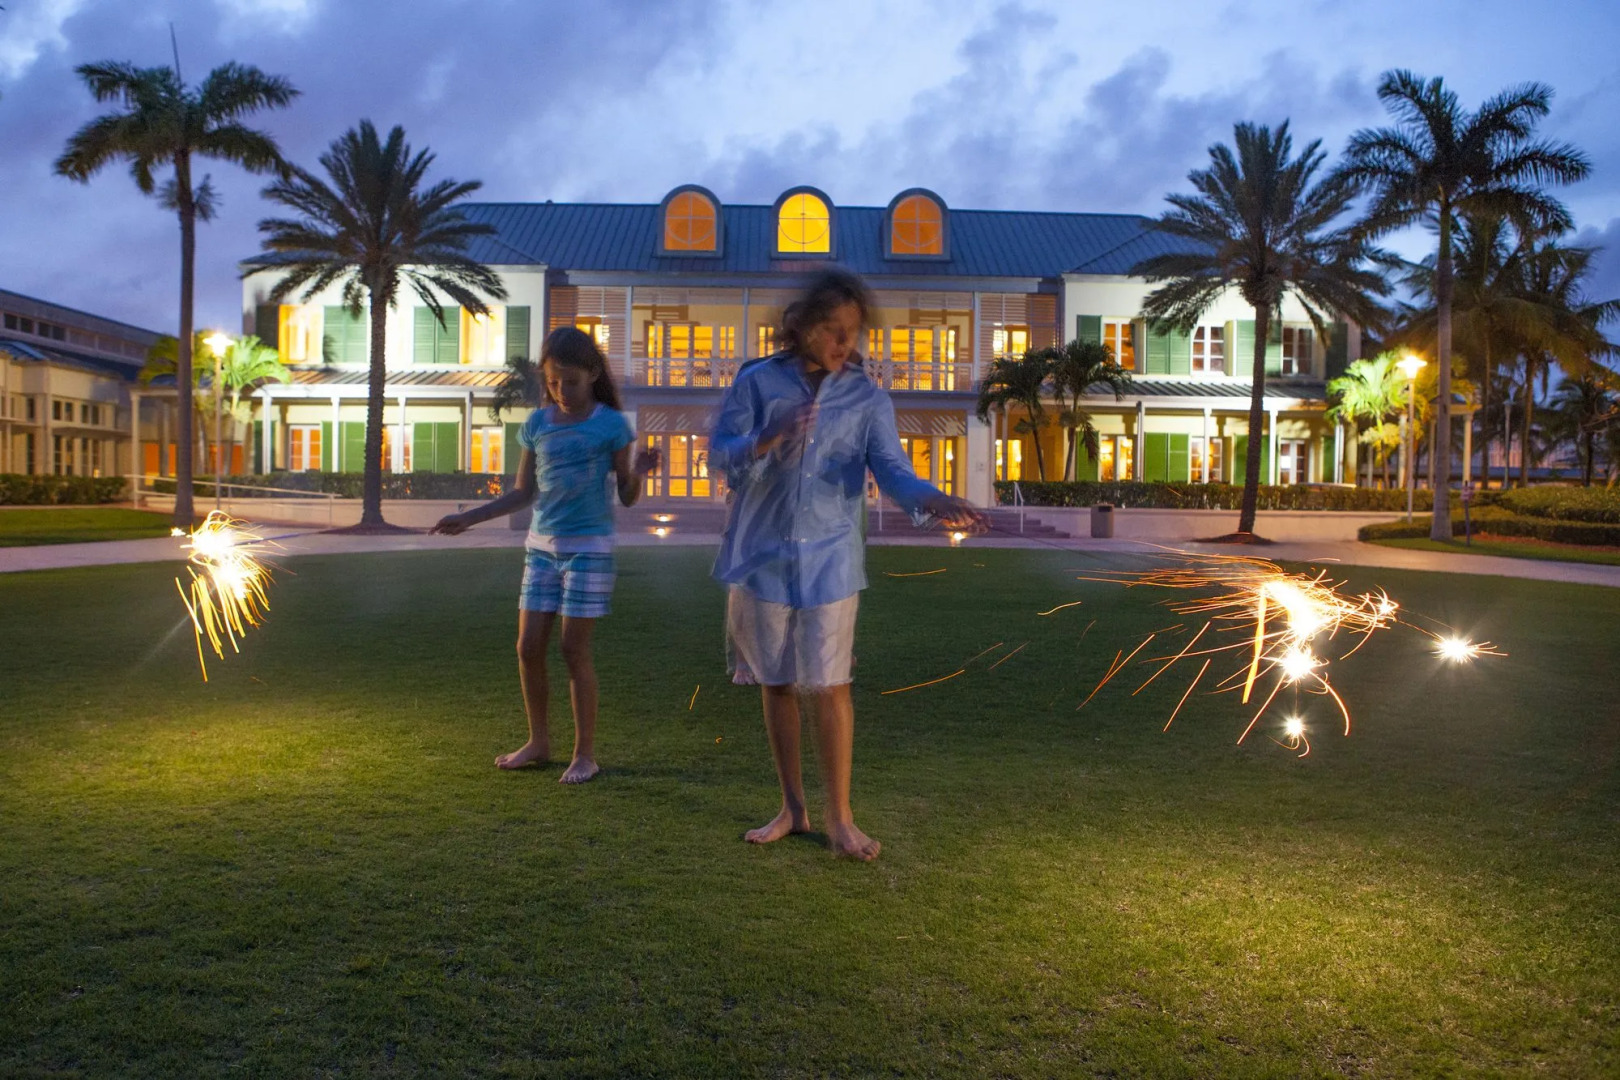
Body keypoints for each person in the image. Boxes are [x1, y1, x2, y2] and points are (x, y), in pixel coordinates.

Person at [711, 269, 985, 859]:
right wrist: (766, 437)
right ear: (800, 328)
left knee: (831, 686)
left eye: (852, 333)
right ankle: (793, 807)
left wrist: (931, 499)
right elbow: (719, 456)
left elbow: (890, 468)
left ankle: (840, 817)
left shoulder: (866, 397)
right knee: (777, 683)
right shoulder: (757, 383)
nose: (844, 344)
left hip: (832, 559)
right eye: (832, 331)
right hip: (761, 557)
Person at [433, 327, 659, 784]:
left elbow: (629, 498)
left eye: (571, 381)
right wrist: (470, 517)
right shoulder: (537, 424)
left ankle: (585, 754)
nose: (562, 391)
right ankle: (538, 741)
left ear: (592, 374)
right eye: (554, 382)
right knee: (528, 646)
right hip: (541, 549)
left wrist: (638, 473)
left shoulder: (611, 424)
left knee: (573, 650)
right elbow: (521, 493)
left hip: (589, 550)